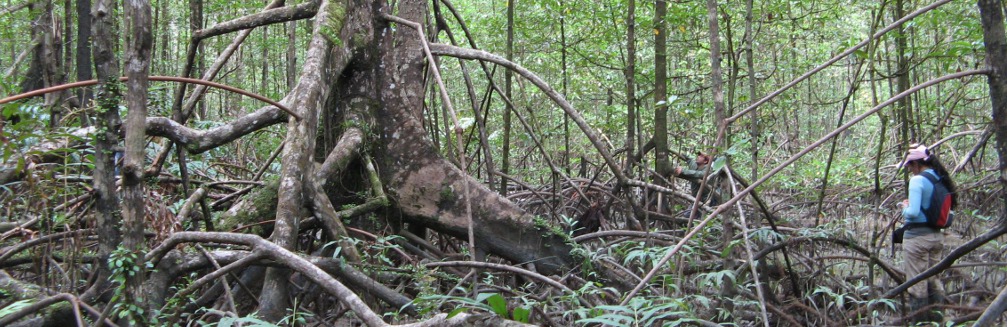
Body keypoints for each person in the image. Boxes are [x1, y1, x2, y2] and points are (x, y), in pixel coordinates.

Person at [897, 144, 957, 323]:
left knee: (917, 286)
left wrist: (904, 208)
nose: (909, 170)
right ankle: (937, 321)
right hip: (936, 237)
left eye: (910, 166)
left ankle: (920, 323)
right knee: (933, 280)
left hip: (917, 239)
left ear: (916, 164)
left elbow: (913, 213)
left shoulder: (917, 180)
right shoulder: (940, 178)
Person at [674, 152, 723, 216]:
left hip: (707, 199)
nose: (698, 157)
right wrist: (680, 154)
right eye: (698, 155)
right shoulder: (694, 165)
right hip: (696, 199)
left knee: (703, 216)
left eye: (701, 156)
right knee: (687, 216)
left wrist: (683, 171)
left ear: (705, 161)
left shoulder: (708, 169)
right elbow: (689, 159)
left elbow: (699, 174)